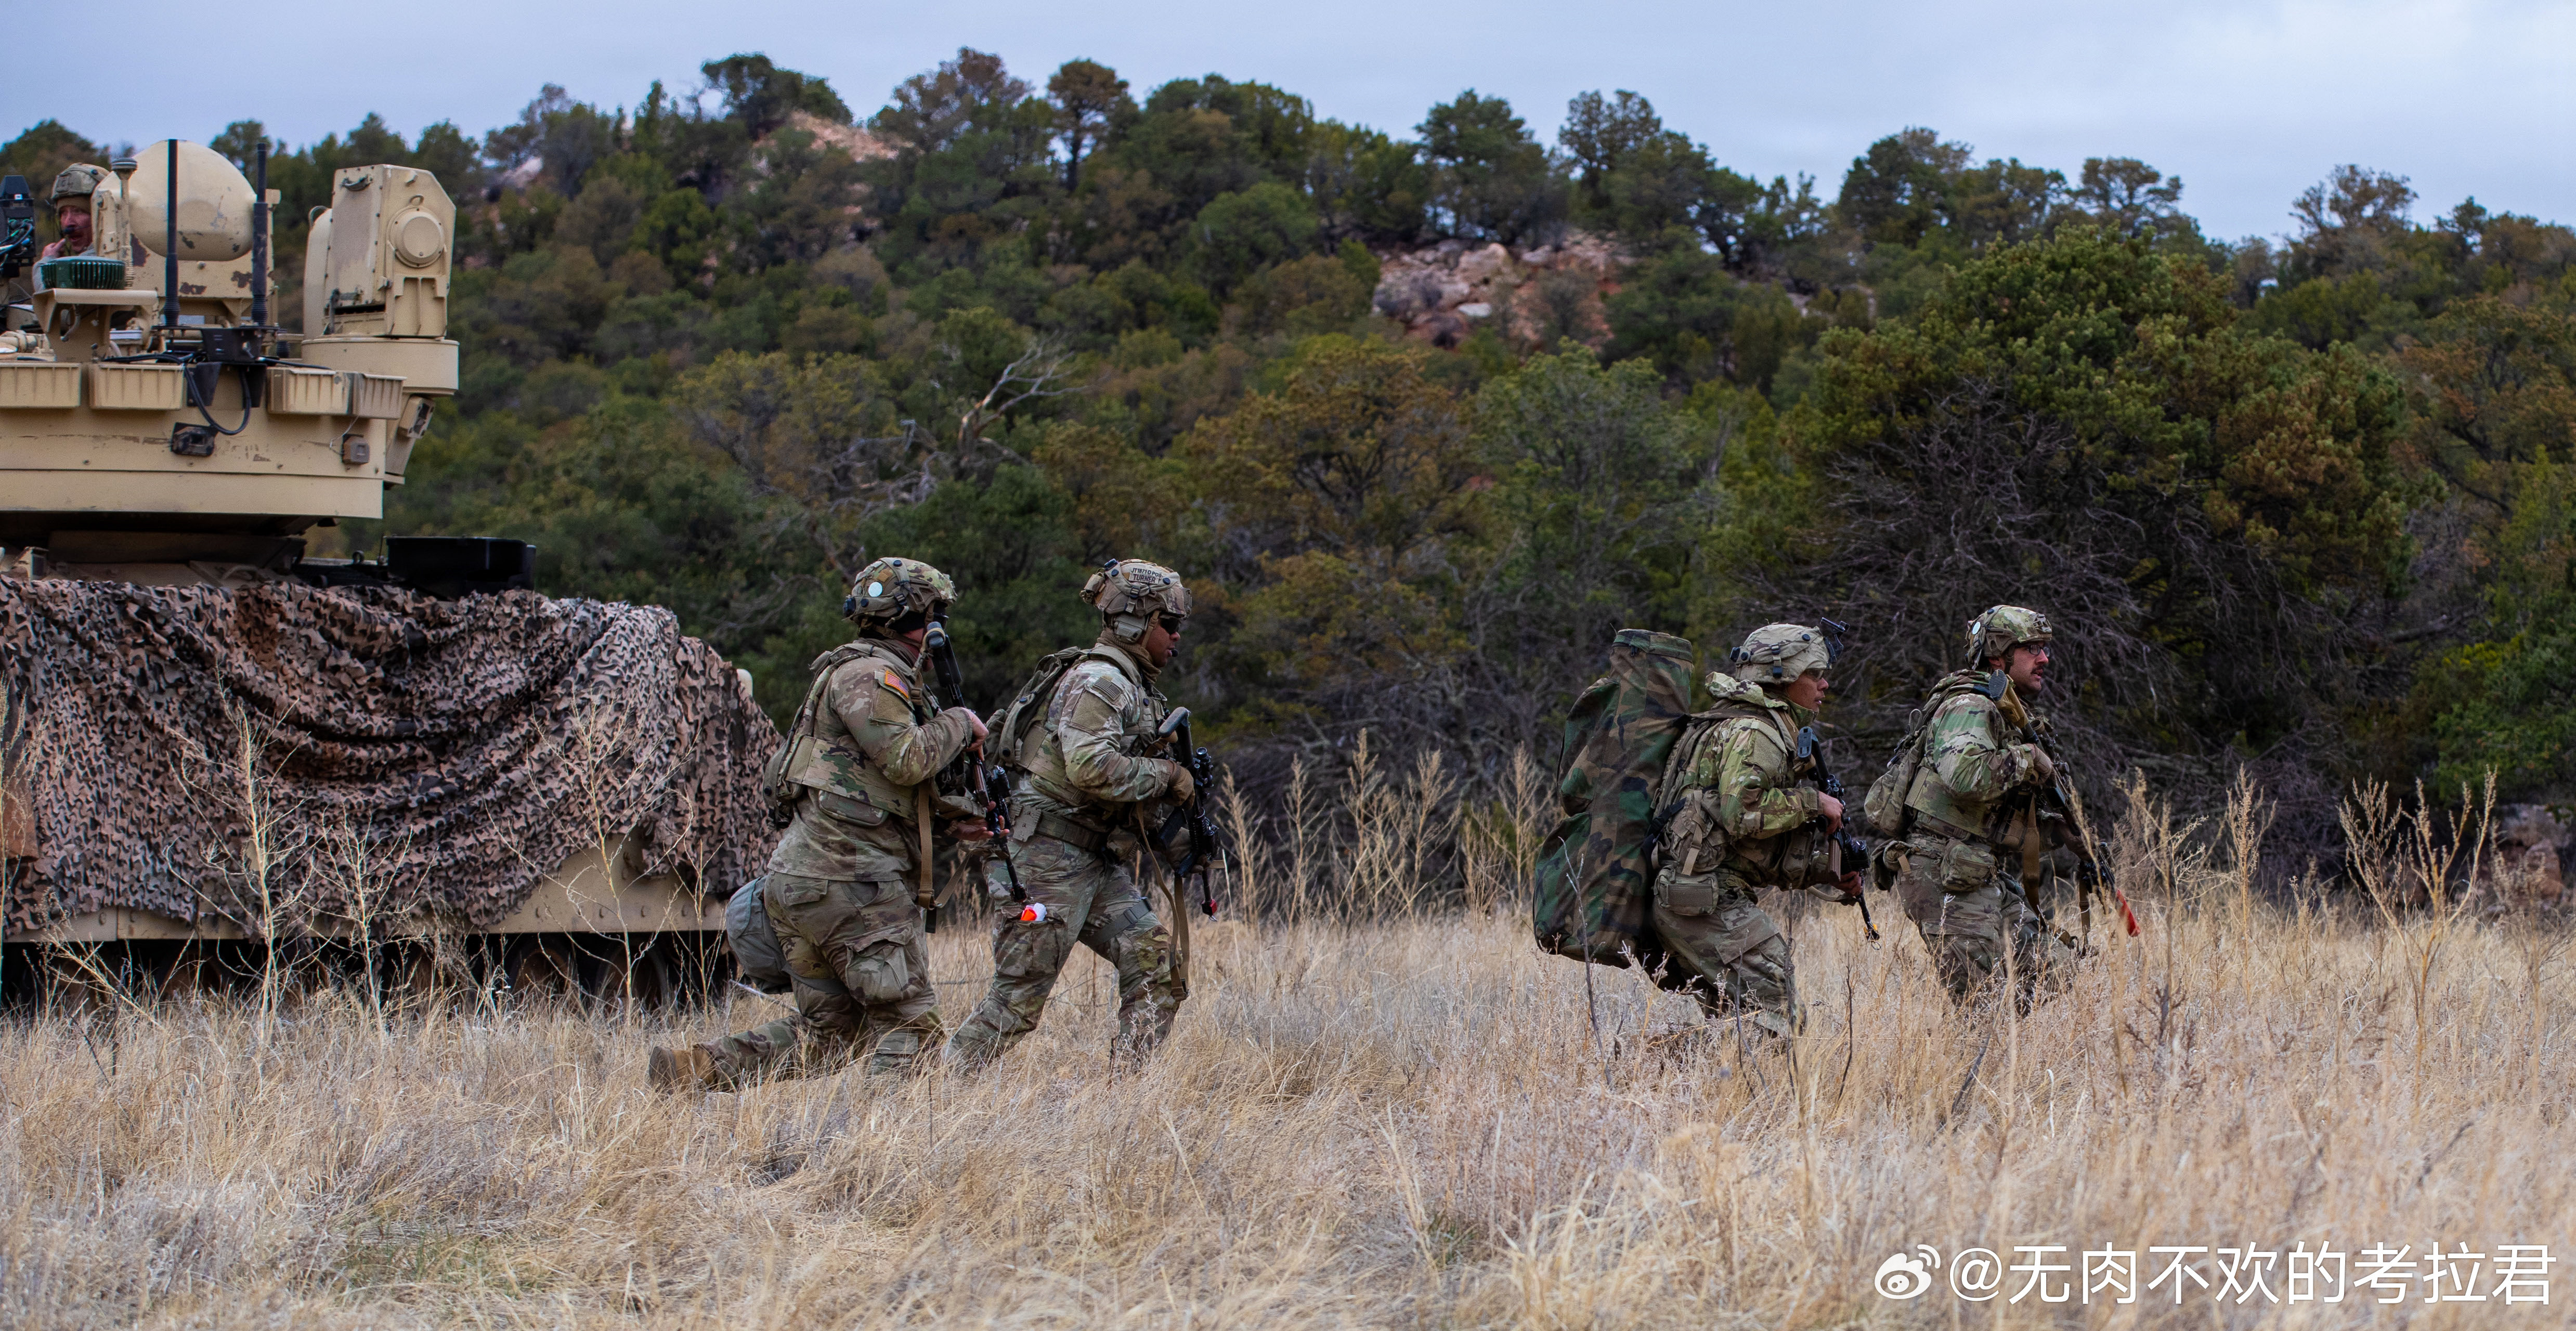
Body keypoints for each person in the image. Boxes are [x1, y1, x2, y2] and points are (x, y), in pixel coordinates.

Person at [650, 557, 987, 1091]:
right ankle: (875, 1155)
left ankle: (694, 1071)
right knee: (912, 1030)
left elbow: (867, 788)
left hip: (814, 881)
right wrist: (957, 724)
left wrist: (956, 820)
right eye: (936, 614)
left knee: (833, 1035)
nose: (940, 628)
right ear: (917, 618)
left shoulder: (858, 674)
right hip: (849, 883)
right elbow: (904, 760)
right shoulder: (869, 677)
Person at [945, 559, 1192, 1069]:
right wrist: (1167, 776)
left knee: (1156, 965)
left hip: (1090, 859)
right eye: (1169, 625)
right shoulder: (1101, 682)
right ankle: (926, 1098)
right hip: (1046, 858)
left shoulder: (1129, 684)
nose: (1176, 637)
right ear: (1135, 622)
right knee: (1016, 1005)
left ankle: (1122, 1103)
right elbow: (1089, 769)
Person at [1647, 623, 1863, 1038]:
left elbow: (1746, 847)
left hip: (1699, 895)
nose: (1824, 684)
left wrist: (1826, 870)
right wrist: (1813, 803)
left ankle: (1659, 1068)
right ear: (1780, 677)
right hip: (1702, 898)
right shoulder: (1756, 732)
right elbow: (1741, 814)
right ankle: (1652, 1062)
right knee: (1780, 1014)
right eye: (1814, 674)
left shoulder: (1752, 724)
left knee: (1738, 1023)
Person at [1888, 605, 2083, 1009]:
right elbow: (1966, 777)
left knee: (2060, 971)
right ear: (1998, 654)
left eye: (2045, 648)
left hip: (1973, 869)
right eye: (2032, 648)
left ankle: (2020, 1060)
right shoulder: (1969, 706)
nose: (2044, 658)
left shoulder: (2002, 710)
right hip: (1943, 872)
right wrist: (2030, 759)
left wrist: (2056, 830)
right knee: (1985, 1011)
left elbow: (1990, 810)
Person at [39, 164, 102, 260]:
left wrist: (47, 264)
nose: (68, 223)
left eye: (78, 211)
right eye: (64, 213)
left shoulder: (98, 263)